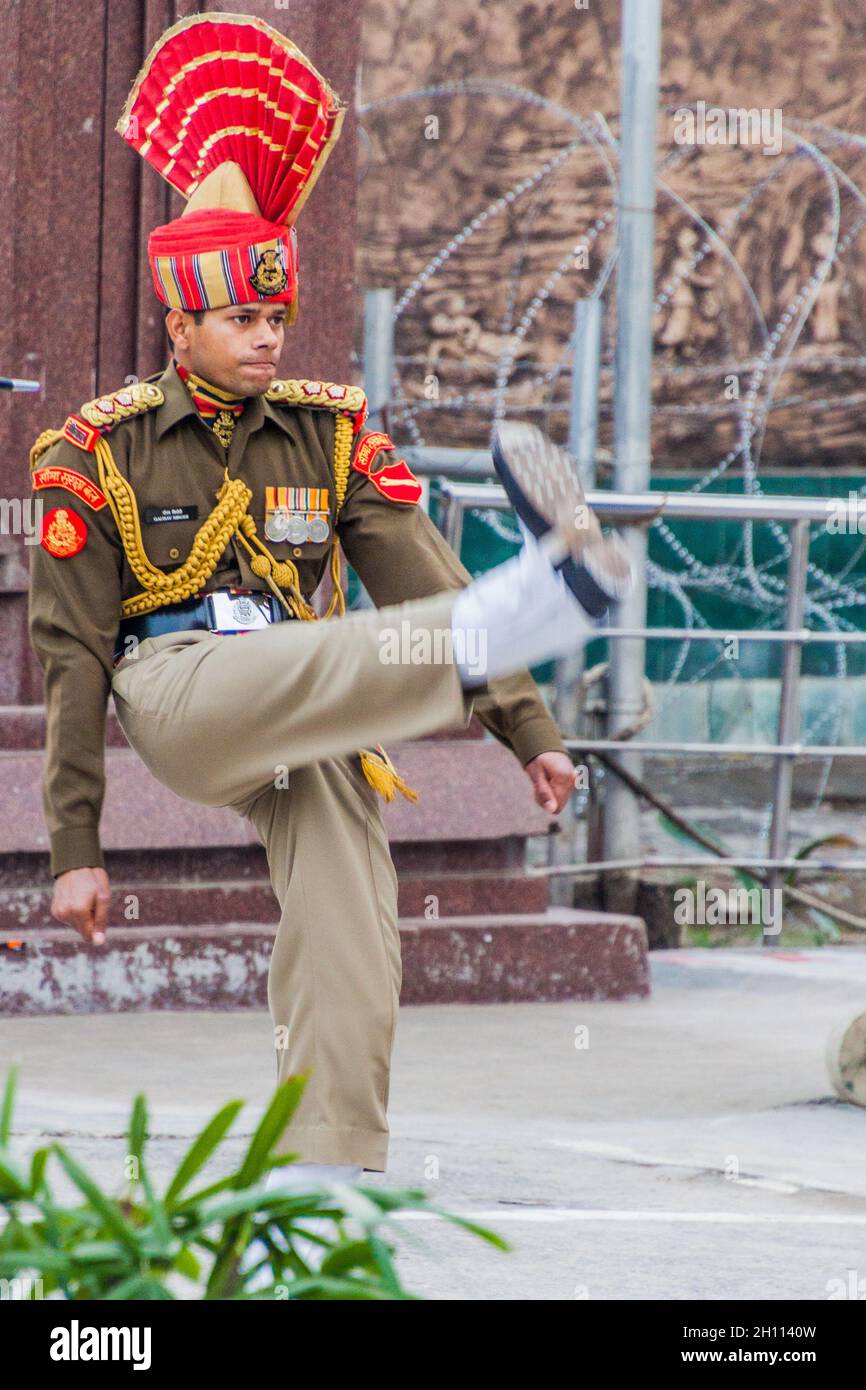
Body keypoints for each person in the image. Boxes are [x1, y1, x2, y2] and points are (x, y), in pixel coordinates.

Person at [26, 13, 631, 1190]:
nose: (264, 338)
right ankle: (525, 609)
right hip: (181, 694)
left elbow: (417, 569)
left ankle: (331, 1156)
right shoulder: (92, 453)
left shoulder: (329, 431)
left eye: (272, 317)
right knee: (336, 660)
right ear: (179, 322)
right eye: (239, 319)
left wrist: (528, 729)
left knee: (353, 880)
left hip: (315, 692)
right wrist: (76, 847)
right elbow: (69, 660)